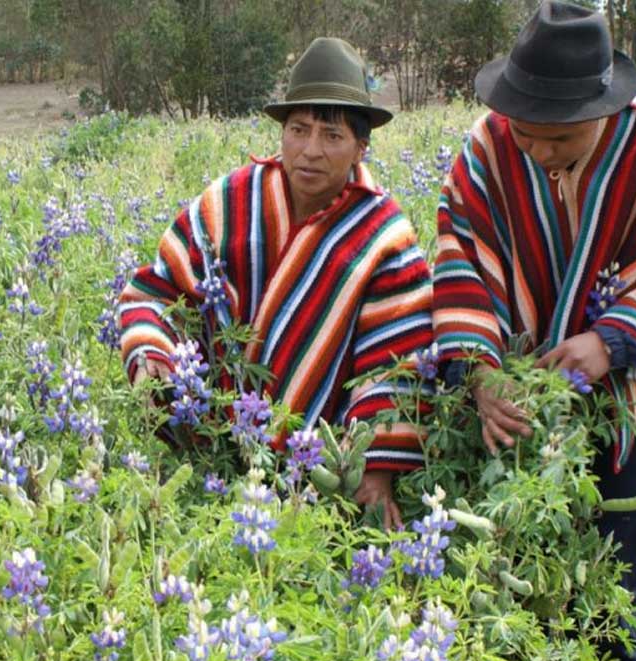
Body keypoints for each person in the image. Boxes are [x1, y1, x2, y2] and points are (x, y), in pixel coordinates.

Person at [430, 3, 636, 661]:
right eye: (527, 134)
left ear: (606, 108)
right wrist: (479, 369)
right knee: (526, 531)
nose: (539, 152)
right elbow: (460, 255)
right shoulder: (489, 147)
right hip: (526, 376)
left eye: (559, 137)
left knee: (621, 537)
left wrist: (613, 338)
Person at [119, 37, 433, 528]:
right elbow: (156, 294)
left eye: (332, 136)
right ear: (281, 132)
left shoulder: (384, 234)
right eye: (298, 129)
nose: (310, 150)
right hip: (208, 447)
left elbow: (396, 360)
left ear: (361, 146)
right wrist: (154, 356)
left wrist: (376, 467)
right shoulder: (231, 201)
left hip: (316, 473)